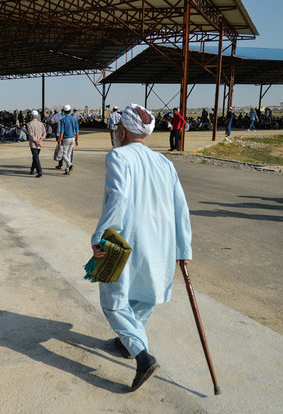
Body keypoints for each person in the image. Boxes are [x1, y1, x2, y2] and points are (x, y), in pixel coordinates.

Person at [91, 103, 192, 392]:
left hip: (126, 240)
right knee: (146, 296)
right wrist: (183, 249)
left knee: (114, 301)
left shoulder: (118, 156)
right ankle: (126, 342)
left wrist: (100, 236)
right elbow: (180, 208)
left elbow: (118, 199)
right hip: (161, 243)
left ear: (122, 129)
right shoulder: (164, 162)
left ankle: (142, 355)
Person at [57, 104, 79, 175]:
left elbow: (62, 131)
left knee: (63, 154)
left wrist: (59, 140)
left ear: (64, 111)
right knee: (69, 154)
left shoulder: (62, 119)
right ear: (70, 110)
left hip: (66, 139)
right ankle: (67, 170)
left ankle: (69, 164)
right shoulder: (74, 119)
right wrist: (77, 140)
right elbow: (77, 130)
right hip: (73, 138)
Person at [27, 110, 46, 178]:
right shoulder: (41, 124)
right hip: (40, 143)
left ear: (31, 116)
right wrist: (40, 140)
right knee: (35, 157)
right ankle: (32, 170)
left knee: (36, 157)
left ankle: (39, 171)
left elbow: (31, 134)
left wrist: (36, 141)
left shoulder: (29, 124)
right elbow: (44, 133)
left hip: (33, 144)